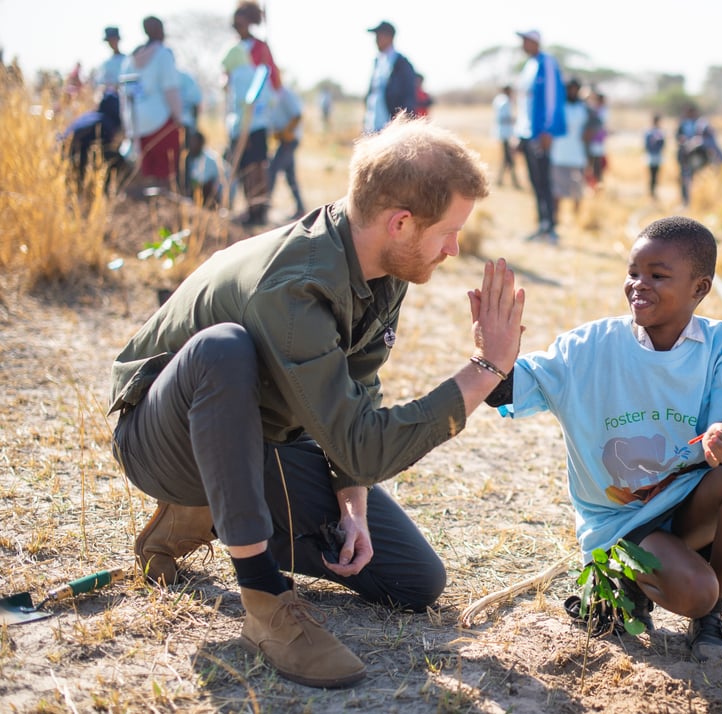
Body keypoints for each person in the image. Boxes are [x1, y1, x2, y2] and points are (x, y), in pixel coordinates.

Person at [109, 115, 525, 690]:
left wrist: (351, 502)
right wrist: (485, 370)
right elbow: (365, 444)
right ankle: (264, 602)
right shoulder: (296, 283)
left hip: (263, 436)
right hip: (162, 438)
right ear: (400, 223)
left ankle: (208, 514)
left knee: (414, 582)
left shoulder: (383, 262)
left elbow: (359, 395)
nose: (454, 250)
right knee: (223, 350)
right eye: (449, 232)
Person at [485, 215, 722, 662]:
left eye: (658, 276)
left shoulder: (719, 344)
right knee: (695, 590)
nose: (639, 284)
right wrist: (492, 358)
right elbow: (508, 390)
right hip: (621, 524)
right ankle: (620, 582)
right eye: (633, 272)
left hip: (685, 503)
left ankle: (711, 615)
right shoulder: (589, 347)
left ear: (700, 289)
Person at [223, 3, 275, 226]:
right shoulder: (232, 51)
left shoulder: (260, 47)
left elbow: (270, 77)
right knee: (243, 166)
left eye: (241, 21)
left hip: (257, 117)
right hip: (238, 118)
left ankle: (259, 208)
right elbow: (225, 77)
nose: (238, 26)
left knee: (257, 166)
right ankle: (248, 207)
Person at [513, 29, 566, 242]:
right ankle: (541, 223)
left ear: (535, 42)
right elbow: (523, 102)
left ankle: (550, 226)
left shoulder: (547, 63)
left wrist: (548, 130)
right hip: (526, 133)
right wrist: (518, 133)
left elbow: (552, 98)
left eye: (526, 40)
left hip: (540, 134)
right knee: (534, 180)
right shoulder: (528, 66)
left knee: (544, 180)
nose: (523, 44)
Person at [119, 16, 183, 189]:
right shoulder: (163, 55)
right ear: (158, 31)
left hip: (137, 124)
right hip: (161, 121)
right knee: (166, 174)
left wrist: (128, 126)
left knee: (147, 174)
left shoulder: (128, 61)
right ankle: (165, 210)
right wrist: (179, 117)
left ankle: (152, 211)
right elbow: (171, 89)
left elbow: (125, 96)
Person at [548, 77, 589, 242]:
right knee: (556, 191)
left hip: (577, 156)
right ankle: (556, 220)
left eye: (575, 89)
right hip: (559, 155)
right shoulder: (558, 107)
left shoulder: (584, 109)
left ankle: (576, 221)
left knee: (577, 192)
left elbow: (595, 126)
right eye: (569, 89)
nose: (572, 91)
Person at [363, 20, 417, 134]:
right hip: (372, 126)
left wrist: (403, 125)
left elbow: (409, 97)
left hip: (391, 130)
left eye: (379, 36)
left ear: (389, 37)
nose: (376, 40)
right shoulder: (378, 62)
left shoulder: (401, 63)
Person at [267, 83, 306, 221]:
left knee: (272, 170)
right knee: (290, 175)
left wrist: (286, 132)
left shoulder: (285, 94)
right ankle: (300, 208)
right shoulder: (272, 95)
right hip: (283, 140)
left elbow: (297, 115)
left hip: (290, 140)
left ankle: (264, 206)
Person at [676, 103, 722, 207]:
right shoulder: (683, 124)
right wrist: (683, 142)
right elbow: (678, 137)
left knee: (698, 178)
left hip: (697, 156)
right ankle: (686, 202)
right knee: (685, 178)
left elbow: (710, 142)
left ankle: (696, 202)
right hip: (686, 156)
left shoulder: (700, 124)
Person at [182, 130, 223, 207]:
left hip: (216, 194)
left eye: (195, 142)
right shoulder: (190, 158)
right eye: (191, 141)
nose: (192, 144)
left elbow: (201, 182)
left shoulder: (209, 159)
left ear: (201, 144)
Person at [492, 85, 521, 189]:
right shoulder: (504, 101)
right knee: (509, 158)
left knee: (507, 158)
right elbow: (504, 118)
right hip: (505, 133)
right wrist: (514, 120)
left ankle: (501, 180)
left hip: (503, 133)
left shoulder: (499, 100)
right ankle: (514, 181)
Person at [584, 91, 608, 186]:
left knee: (596, 162)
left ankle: (596, 181)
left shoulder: (601, 111)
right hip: (591, 140)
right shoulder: (593, 109)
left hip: (596, 140)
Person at [96, 26, 126, 93]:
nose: (112, 43)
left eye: (114, 39)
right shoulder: (106, 64)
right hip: (112, 99)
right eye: (110, 41)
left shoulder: (127, 60)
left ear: (118, 40)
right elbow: (101, 83)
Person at [643, 114, 666, 199]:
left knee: (656, 175)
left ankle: (654, 191)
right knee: (652, 174)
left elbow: (663, 143)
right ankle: (651, 192)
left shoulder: (660, 132)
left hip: (657, 155)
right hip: (651, 155)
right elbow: (646, 144)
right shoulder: (649, 132)